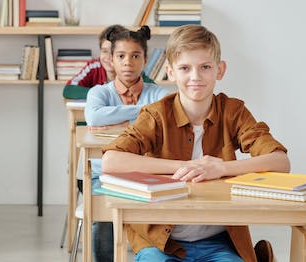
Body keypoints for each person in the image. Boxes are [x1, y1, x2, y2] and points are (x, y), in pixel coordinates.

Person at [101, 25, 288, 262]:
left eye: (205, 67)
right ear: (170, 72)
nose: (195, 77)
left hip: (219, 240)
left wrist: (220, 168)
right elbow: (111, 161)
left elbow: (280, 161)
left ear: (220, 70)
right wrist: (187, 165)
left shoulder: (233, 111)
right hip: (161, 242)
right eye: (185, 68)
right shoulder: (156, 114)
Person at [84, 25, 170, 262]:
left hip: (148, 171)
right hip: (105, 173)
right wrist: (143, 112)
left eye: (135, 56)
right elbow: (94, 116)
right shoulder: (99, 93)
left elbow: (165, 119)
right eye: (121, 56)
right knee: (104, 220)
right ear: (111, 60)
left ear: (145, 60)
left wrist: (116, 117)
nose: (128, 62)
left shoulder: (159, 93)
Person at [63, 25, 153, 100]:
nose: (109, 57)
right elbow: (68, 90)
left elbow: (154, 90)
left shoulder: (133, 71)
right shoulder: (94, 67)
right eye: (104, 51)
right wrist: (102, 95)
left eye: (118, 54)